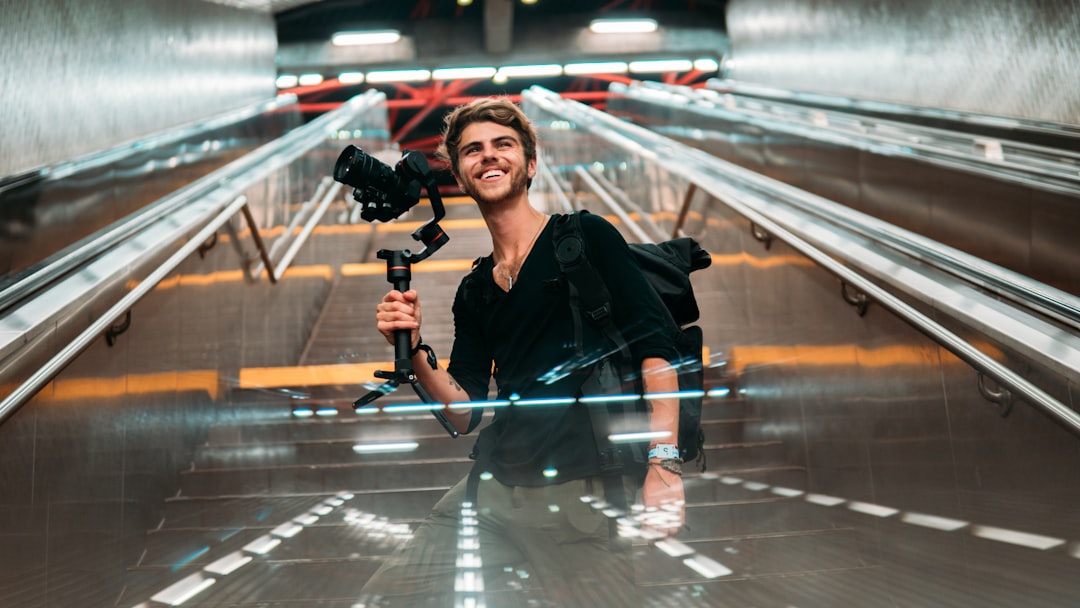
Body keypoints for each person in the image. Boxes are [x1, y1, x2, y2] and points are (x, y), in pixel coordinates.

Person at [359, 97, 685, 607]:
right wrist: (412, 346)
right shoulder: (474, 288)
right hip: (489, 487)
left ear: (530, 163)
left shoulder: (584, 238)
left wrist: (663, 464)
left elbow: (656, 351)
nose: (488, 156)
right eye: (472, 151)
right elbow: (465, 412)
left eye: (502, 145)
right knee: (388, 597)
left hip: (581, 491)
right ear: (460, 176)